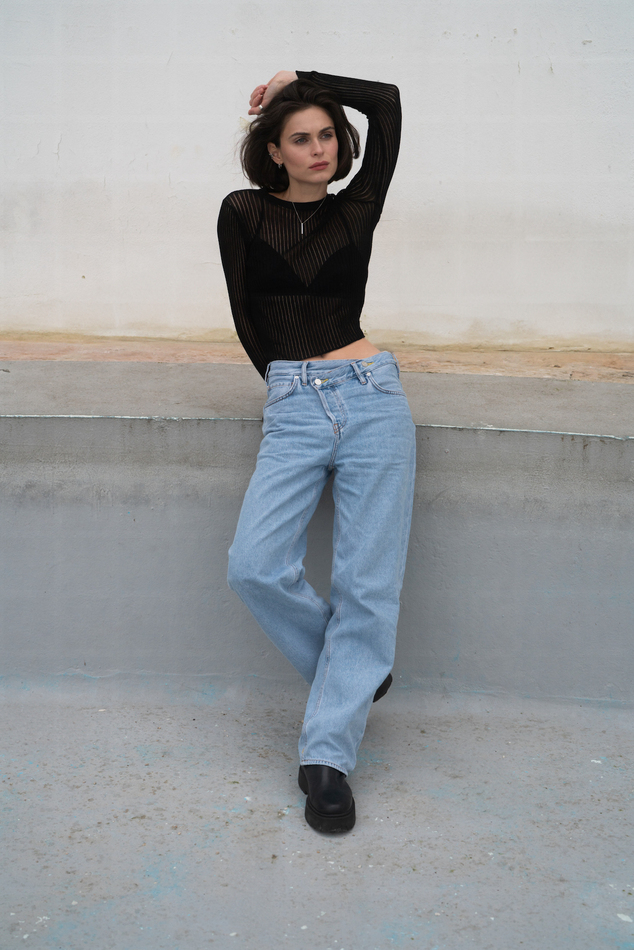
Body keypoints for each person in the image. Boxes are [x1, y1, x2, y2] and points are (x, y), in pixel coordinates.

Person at [217, 69, 416, 833]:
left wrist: (301, 79)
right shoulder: (242, 211)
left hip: (374, 396)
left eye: (328, 134)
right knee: (253, 564)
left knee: (369, 585)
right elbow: (247, 316)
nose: (319, 149)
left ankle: (327, 762)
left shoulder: (357, 208)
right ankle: (356, 669)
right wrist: (287, 387)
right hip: (295, 401)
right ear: (274, 152)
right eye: (300, 138)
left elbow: (386, 102)